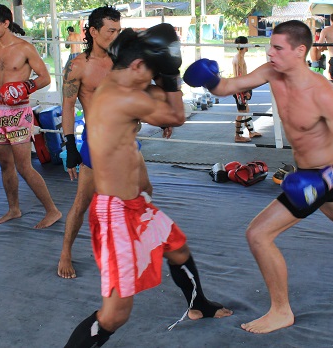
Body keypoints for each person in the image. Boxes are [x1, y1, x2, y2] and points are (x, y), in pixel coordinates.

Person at [183, 19, 333, 334]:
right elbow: (230, 87)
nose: (270, 52)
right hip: (304, 175)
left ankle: (281, 311)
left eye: (278, 48)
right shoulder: (272, 71)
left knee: (258, 235)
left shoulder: (323, 94)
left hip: (323, 176)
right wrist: (210, 78)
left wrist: (323, 181)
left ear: (300, 51)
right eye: (270, 45)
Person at [64, 24, 232, 347]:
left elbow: (158, 100)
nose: (154, 80)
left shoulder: (124, 84)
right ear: (138, 66)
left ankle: (198, 304)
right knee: (115, 314)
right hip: (115, 215)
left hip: (135, 204)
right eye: (152, 73)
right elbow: (177, 115)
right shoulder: (119, 98)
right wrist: (171, 75)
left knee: (178, 248)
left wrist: (163, 67)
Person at [58, 5, 159, 279]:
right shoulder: (78, 65)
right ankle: (66, 252)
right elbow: (67, 106)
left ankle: (136, 245)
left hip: (126, 139)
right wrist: (69, 146)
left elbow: (140, 92)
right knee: (83, 200)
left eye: (118, 30)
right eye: (110, 30)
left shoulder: (122, 61)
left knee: (144, 190)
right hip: (98, 141)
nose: (115, 35)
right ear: (93, 32)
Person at [0, 4, 61, 228]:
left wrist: (25, 87)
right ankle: (14, 209)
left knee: (24, 166)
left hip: (19, 111)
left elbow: (45, 77)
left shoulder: (25, 48)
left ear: (5, 23)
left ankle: (52, 211)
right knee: (5, 164)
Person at [232, 36, 261, 143]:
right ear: (244, 45)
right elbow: (239, 76)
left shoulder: (239, 57)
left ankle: (251, 131)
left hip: (240, 87)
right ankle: (237, 136)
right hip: (240, 88)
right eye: (247, 43)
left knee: (246, 110)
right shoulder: (239, 58)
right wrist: (245, 91)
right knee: (241, 112)